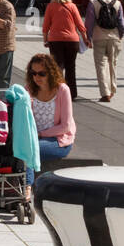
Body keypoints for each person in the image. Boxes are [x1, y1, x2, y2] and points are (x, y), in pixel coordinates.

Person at [24, 53, 75, 189]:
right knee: (20, 148)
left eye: (42, 74)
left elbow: (66, 126)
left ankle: (27, 187)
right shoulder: (28, 89)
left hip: (58, 140)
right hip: (33, 138)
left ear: (51, 73)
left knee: (29, 150)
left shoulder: (62, 90)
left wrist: (40, 134)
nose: (36, 77)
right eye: (33, 73)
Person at [42, 0, 88, 101]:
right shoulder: (72, 6)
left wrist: (45, 39)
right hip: (72, 40)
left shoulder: (51, 7)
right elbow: (80, 24)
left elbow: (46, 25)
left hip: (55, 40)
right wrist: (85, 37)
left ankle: (59, 93)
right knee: (71, 67)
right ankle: (71, 94)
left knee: (58, 67)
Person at [83, 0, 124, 102]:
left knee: (101, 65)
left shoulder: (93, 3)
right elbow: (121, 23)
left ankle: (105, 93)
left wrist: (88, 38)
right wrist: (120, 35)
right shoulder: (117, 3)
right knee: (113, 64)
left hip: (99, 37)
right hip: (114, 37)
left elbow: (89, 22)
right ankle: (112, 90)